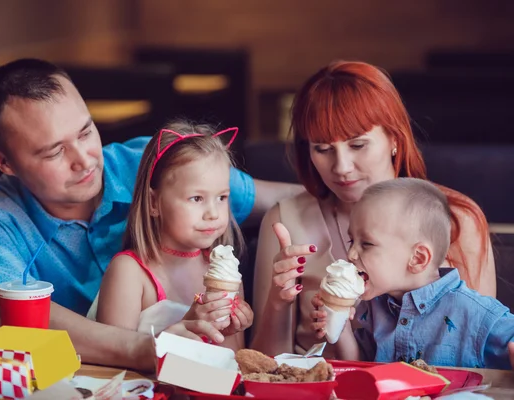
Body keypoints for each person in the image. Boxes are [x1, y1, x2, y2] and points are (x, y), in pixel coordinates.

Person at [0, 58, 302, 370]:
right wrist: (150, 348)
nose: (85, 159)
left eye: (86, 131)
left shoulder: (149, 163)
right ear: (3, 162)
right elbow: (2, 309)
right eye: (54, 152)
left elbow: (288, 198)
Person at [251, 60, 496, 358]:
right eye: (323, 149)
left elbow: (481, 350)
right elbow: (264, 366)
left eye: (358, 145)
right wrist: (279, 302)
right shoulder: (285, 221)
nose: (341, 167)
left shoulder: (457, 220)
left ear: (394, 138)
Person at [314, 178, 514, 370]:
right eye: (351, 241)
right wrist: (340, 328)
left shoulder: (474, 312)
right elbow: (359, 366)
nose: (351, 254)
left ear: (417, 258)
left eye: (366, 244)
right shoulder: (374, 308)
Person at [88, 121, 253, 351]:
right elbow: (115, 361)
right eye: (196, 198)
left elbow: (232, 362)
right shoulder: (129, 273)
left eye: (222, 197)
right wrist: (186, 327)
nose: (213, 214)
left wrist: (228, 332)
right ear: (154, 202)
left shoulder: (227, 274)